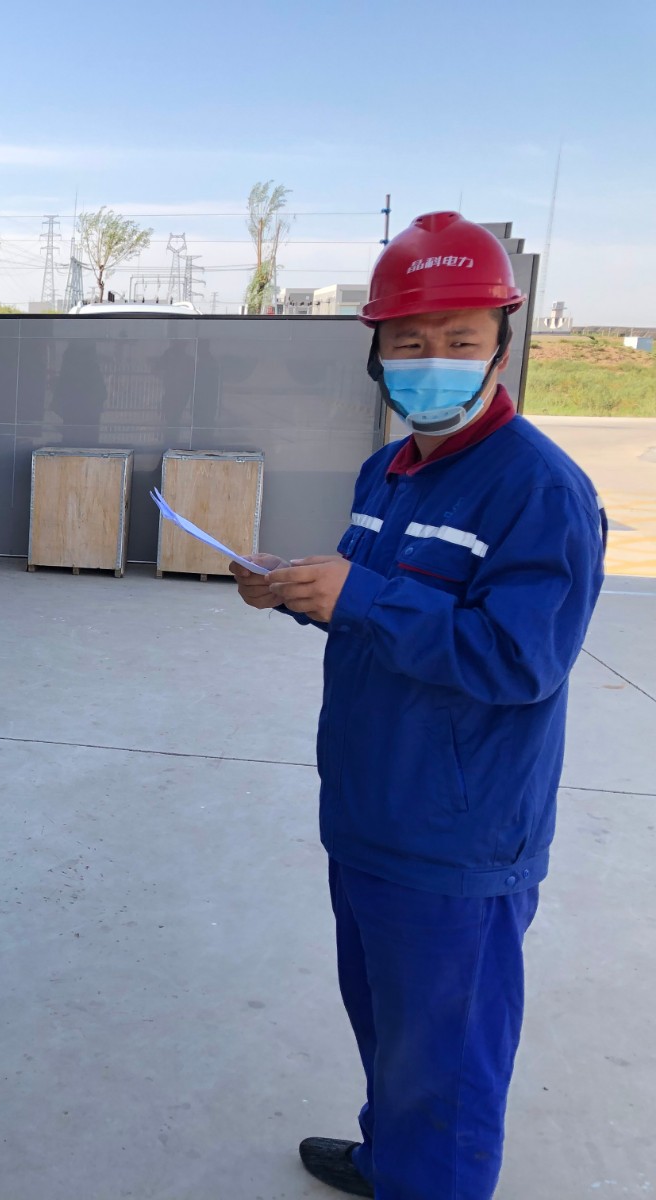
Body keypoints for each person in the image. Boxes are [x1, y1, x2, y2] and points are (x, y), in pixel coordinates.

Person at [231, 212, 606, 1199]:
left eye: (457, 338)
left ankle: (426, 1176)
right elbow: (377, 611)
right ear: (377, 355)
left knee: (446, 1067)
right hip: (370, 813)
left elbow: (522, 658)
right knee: (391, 1031)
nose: (430, 360)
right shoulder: (387, 471)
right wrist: (297, 589)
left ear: (500, 347)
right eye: (408, 341)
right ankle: (392, 1162)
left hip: (457, 838)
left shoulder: (539, 490)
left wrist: (360, 597)